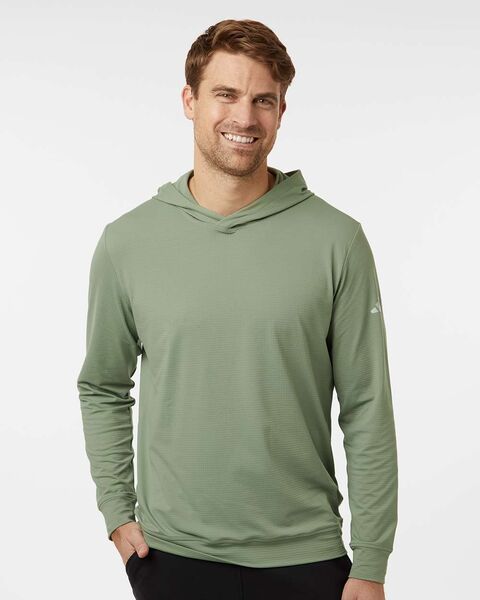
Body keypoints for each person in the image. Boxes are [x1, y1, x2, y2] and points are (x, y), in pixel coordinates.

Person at [77, 18, 398, 600]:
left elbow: (367, 405)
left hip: (308, 558)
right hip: (172, 558)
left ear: (281, 111)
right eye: (225, 94)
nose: (245, 118)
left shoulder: (338, 240)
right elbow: (102, 384)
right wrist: (116, 512)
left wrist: (371, 562)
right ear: (189, 101)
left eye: (263, 100)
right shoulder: (128, 243)